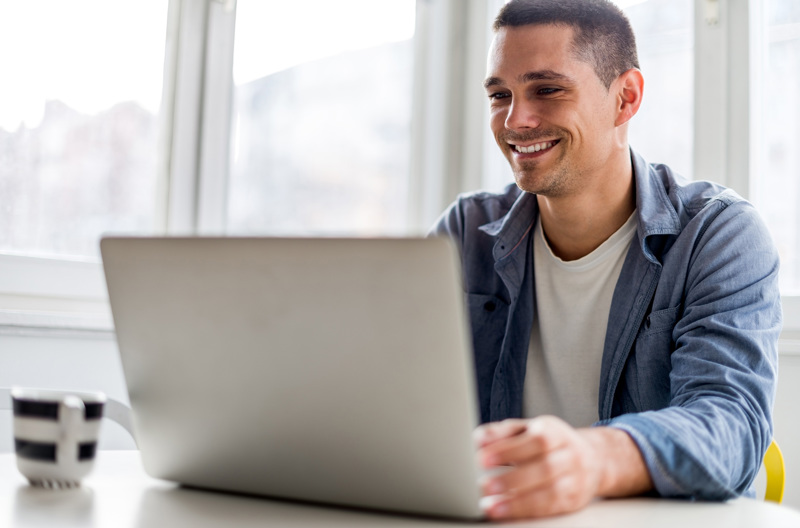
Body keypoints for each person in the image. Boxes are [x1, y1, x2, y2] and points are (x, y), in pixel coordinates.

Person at [431, 0, 782, 521]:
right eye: (500, 95)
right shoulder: (466, 232)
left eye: (547, 89)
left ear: (626, 98)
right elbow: (401, 403)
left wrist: (591, 458)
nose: (515, 120)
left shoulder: (718, 234)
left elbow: (732, 424)